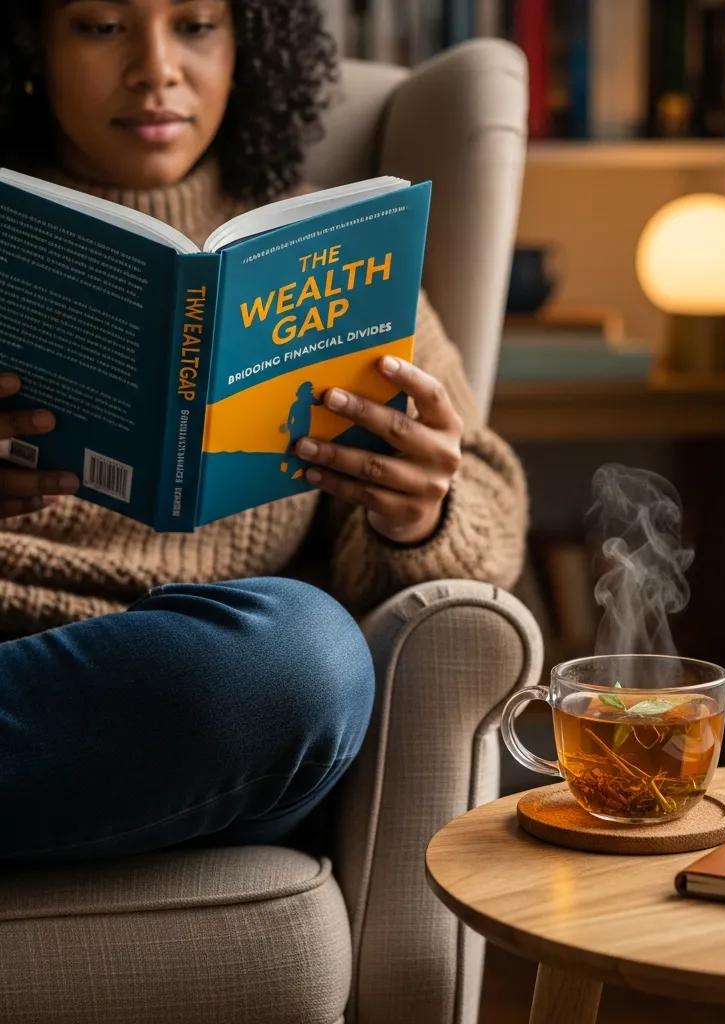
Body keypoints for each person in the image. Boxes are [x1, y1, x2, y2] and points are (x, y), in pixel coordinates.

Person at [0, 0, 527, 862]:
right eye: (100, 26)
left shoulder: (331, 249)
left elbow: (483, 489)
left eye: (196, 26)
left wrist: (421, 512)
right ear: (30, 47)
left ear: (251, 48)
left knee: (304, 661)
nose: (156, 68)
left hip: (200, 714)